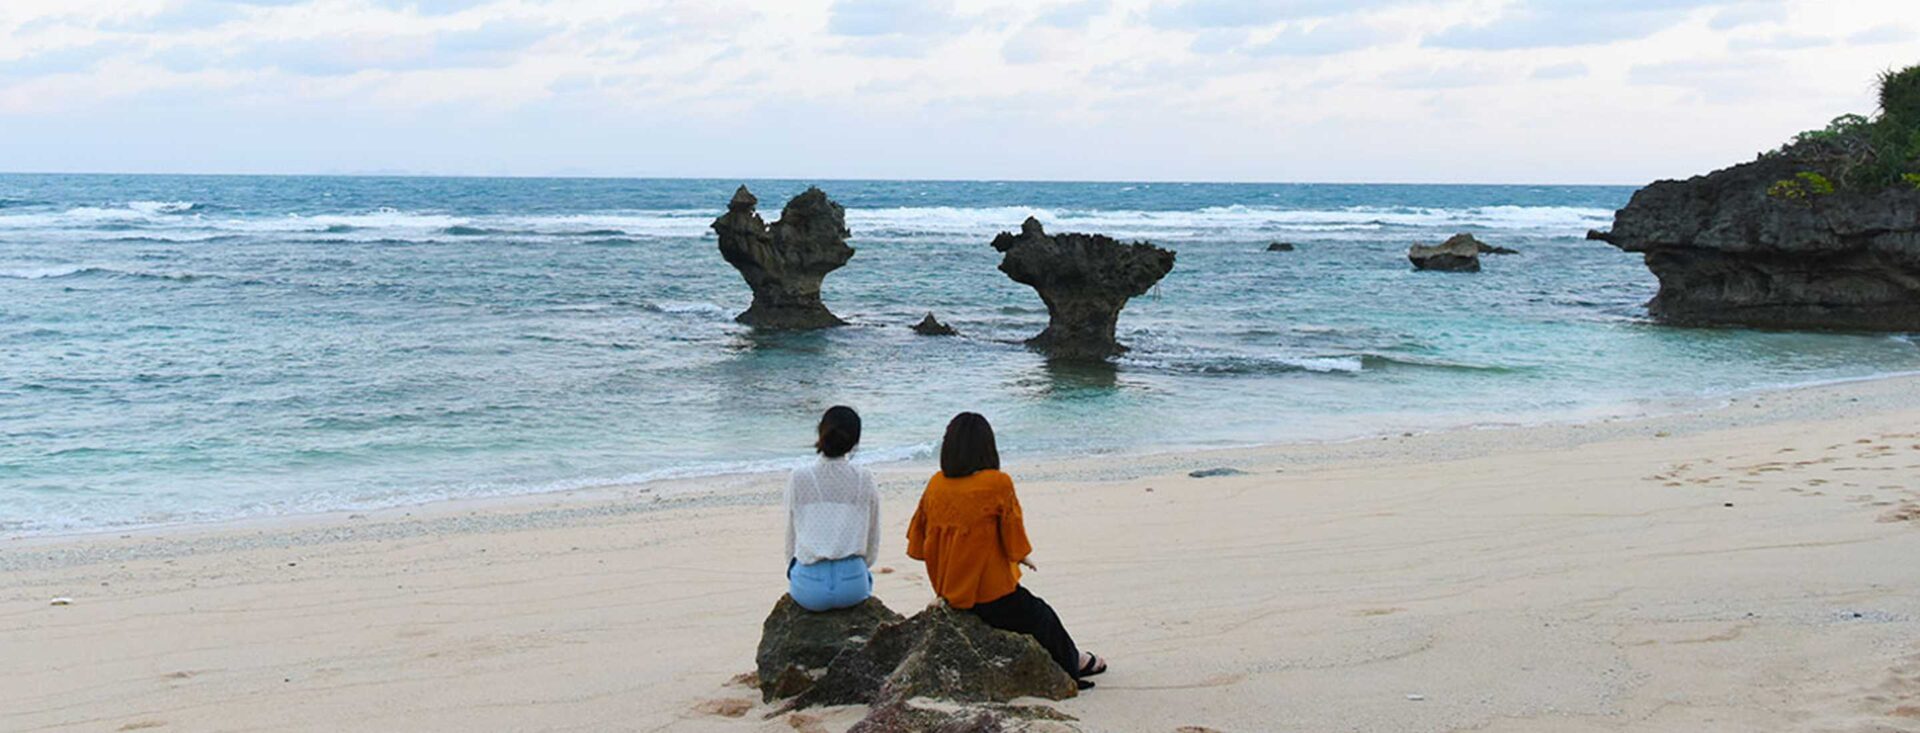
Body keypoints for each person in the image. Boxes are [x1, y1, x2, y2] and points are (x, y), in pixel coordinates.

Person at [906, 412, 1108, 688]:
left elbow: (918, 542)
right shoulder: (997, 483)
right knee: (1042, 616)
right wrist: (1021, 555)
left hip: (949, 591)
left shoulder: (935, 484)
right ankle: (1073, 668)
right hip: (989, 596)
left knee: (1035, 614)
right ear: (987, 446)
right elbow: (1013, 538)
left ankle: (1076, 658)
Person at [783, 405, 881, 612]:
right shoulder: (865, 478)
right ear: (855, 441)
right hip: (853, 585)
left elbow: (791, 537)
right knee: (864, 579)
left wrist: (792, 569)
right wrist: (863, 567)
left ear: (821, 431)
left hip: (809, 585)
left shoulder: (799, 477)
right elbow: (873, 539)